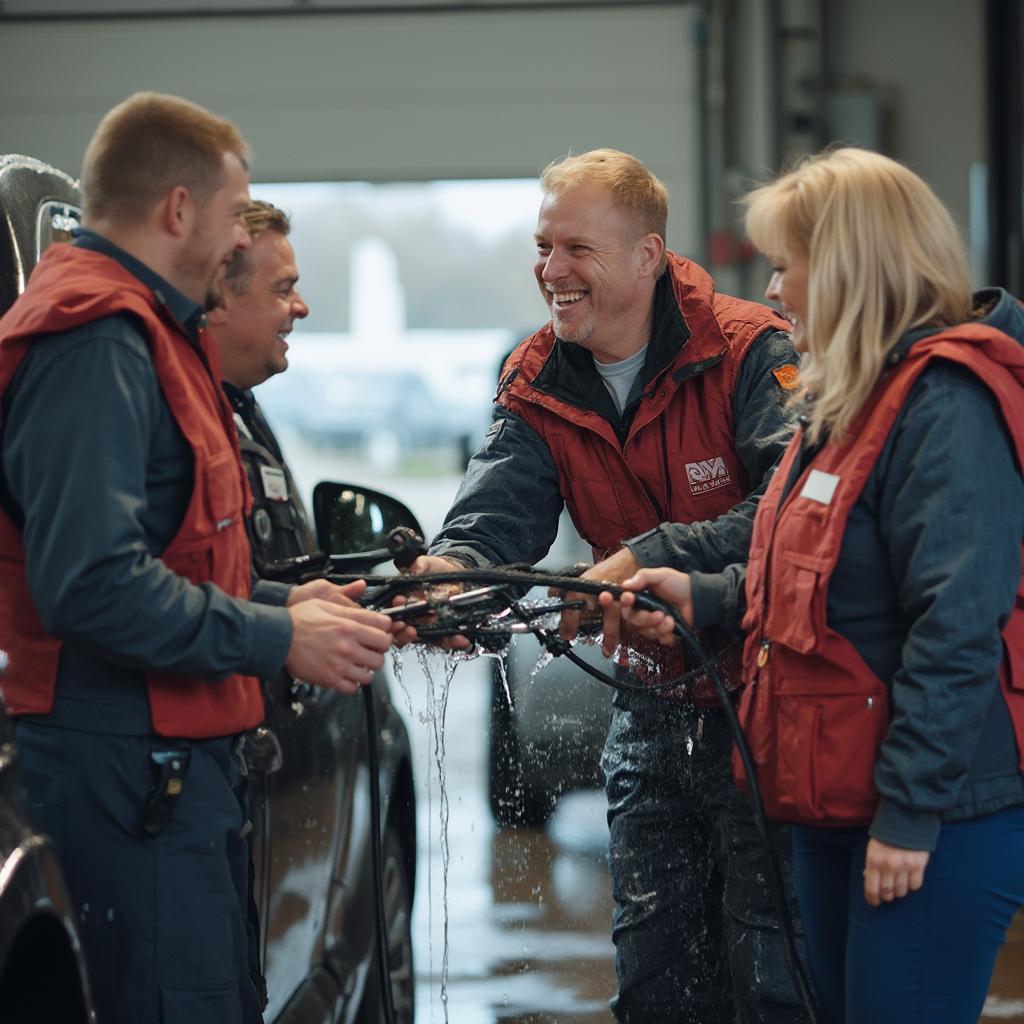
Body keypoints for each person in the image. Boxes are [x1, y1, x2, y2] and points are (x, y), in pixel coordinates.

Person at [0, 92, 395, 1024]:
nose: (238, 244)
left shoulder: (150, 333)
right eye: (231, 217)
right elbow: (89, 585)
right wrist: (273, 638)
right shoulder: (93, 340)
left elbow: (164, 559)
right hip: (122, 773)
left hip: (169, 774)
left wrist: (292, 607)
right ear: (178, 210)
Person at [608, 147, 1024, 1024]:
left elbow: (954, 629)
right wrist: (706, 599)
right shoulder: (844, 405)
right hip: (836, 795)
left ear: (846, 270)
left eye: (787, 266)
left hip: (927, 816)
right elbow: (810, 581)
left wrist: (911, 815)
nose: (773, 289)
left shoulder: (946, 404)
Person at [409, 148, 809, 1023]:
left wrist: (657, 550)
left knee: (773, 983)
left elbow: (794, 520)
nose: (551, 270)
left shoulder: (750, 353)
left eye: (576, 249)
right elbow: (496, 520)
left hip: (768, 704)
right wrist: (448, 579)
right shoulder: (537, 375)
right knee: (657, 985)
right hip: (653, 703)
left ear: (648, 255)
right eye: (543, 245)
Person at [207, 199, 318, 578]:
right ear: (220, 296)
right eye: (283, 290)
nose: (301, 308)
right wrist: (288, 615)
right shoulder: (171, 416)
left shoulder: (241, 410)